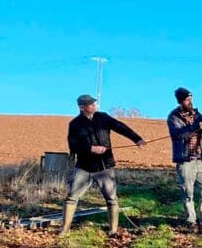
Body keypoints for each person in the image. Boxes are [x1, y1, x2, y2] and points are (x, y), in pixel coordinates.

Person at [60, 94, 146, 236]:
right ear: (82, 107)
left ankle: (113, 230)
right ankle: (64, 229)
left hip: (105, 167)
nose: (95, 106)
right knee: (71, 197)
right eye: (91, 104)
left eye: (95, 103)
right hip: (83, 167)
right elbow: (73, 145)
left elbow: (120, 127)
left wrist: (137, 139)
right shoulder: (74, 124)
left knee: (111, 199)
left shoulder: (103, 117)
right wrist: (90, 149)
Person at [168, 87, 202, 232]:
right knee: (188, 192)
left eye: (191, 99)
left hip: (200, 160)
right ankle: (191, 221)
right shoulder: (174, 117)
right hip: (185, 161)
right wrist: (197, 126)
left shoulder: (197, 114)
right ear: (180, 101)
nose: (190, 102)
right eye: (187, 99)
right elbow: (178, 135)